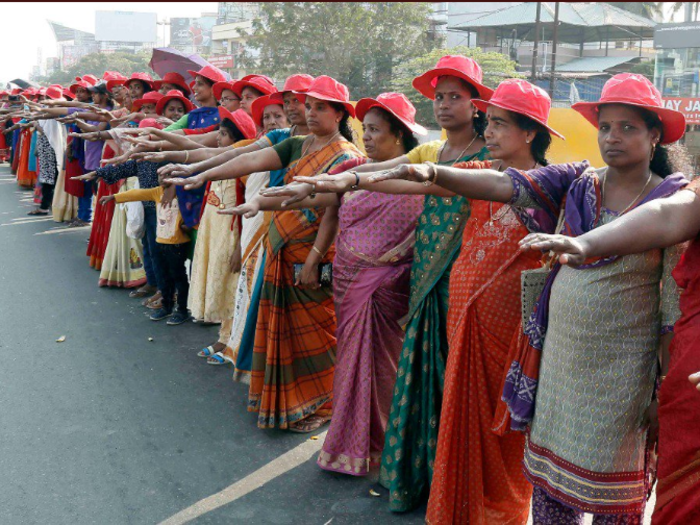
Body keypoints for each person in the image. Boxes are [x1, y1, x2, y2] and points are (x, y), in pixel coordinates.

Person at [366, 73, 688, 523]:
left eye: (628, 128)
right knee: (551, 489)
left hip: (622, 375)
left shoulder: (673, 200)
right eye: (606, 126)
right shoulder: (579, 183)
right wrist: (429, 171)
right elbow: (505, 186)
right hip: (557, 364)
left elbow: (673, 309)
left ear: (655, 135)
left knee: (614, 497)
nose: (612, 137)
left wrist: (662, 392)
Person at [293, 55, 492, 510]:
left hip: (460, 280)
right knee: (417, 375)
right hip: (424, 280)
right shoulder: (429, 153)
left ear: (476, 104)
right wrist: (326, 185)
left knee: (453, 381)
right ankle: (414, 470)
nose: (443, 105)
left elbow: (421, 188)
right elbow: (387, 175)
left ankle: (452, 478)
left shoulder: (489, 156)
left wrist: (345, 182)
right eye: (438, 97)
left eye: (454, 97)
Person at [166, 75, 363, 432]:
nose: (312, 112)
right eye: (310, 105)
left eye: (322, 107)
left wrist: (313, 255)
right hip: (281, 246)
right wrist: (198, 172)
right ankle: (289, 401)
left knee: (316, 334)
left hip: (313, 256)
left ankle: (324, 404)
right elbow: (250, 161)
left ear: (340, 114)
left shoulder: (347, 156)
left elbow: (329, 206)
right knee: (281, 329)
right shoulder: (299, 144)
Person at [259, 92, 426, 472]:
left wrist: (398, 257)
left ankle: (383, 449)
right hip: (348, 283)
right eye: (365, 129)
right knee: (350, 364)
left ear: (399, 135)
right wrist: (261, 202)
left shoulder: (417, 177)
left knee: (382, 369)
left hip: (387, 288)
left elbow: (426, 228)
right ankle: (346, 447)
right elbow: (320, 200)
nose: (367, 137)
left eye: (376, 131)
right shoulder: (353, 167)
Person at [187, 108, 257, 359]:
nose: (218, 138)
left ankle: (231, 343)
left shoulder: (244, 171)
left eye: (224, 135)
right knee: (221, 287)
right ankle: (223, 339)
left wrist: (240, 247)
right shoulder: (218, 164)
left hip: (231, 237)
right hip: (212, 235)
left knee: (231, 288)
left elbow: (248, 211)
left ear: (238, 141)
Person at [100, 183, 191, 324]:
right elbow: (137, 194)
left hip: (177, 244)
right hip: (160, 241)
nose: (164, 178)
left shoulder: (183, 191)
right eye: (161, 175)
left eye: (168, 174)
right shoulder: (157, 192)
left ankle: (182, 311)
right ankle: (166, 307)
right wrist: (114, 196)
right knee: (164, 277)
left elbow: (196, 206)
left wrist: (190, 224)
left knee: (178, 278)